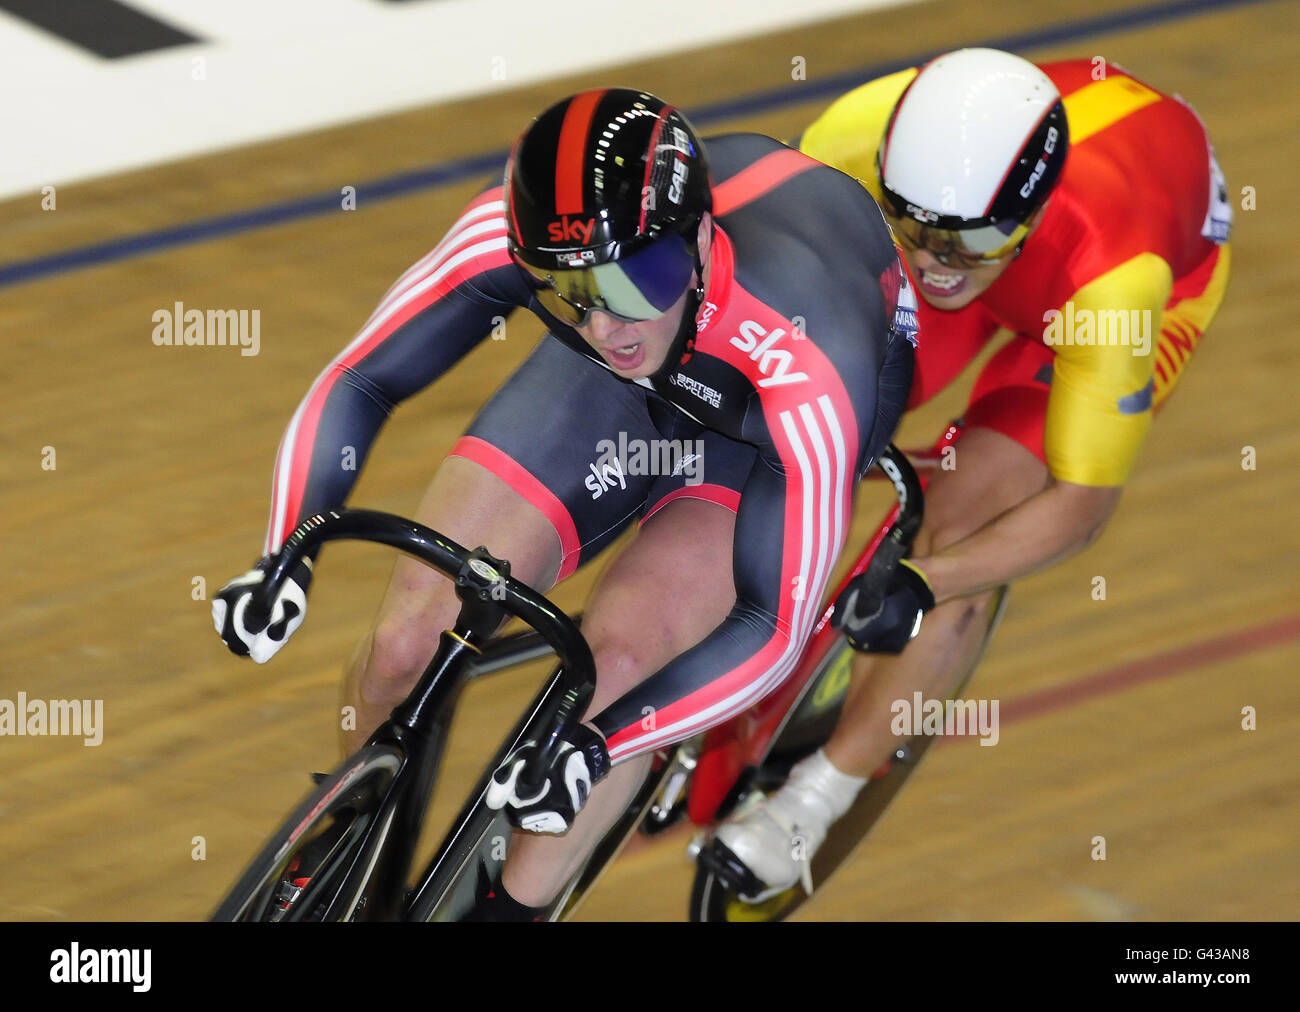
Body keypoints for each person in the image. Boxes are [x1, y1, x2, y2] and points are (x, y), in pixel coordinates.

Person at [211, 87, 918, 919]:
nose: (607, 319)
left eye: (635, 277)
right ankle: (346, 855)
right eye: (565, 286)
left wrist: (600, 743)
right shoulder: (533, 246)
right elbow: (361, 377)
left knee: (615, 670)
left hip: (753, 419)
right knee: (407, 636)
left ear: (697, 238)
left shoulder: (809, 361)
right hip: (626, 385)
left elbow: (772, 625)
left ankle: (508, 911)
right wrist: (286, 549)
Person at [713, 47, 1233, 900]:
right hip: (1025, 253)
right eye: (914, 229)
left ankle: (818, 794)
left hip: (1102, 292)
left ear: (1024, 214)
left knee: (967, 516)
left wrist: (928, 578)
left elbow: (1082, 507)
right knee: (787, 401)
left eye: (968, 239)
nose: (937, 263)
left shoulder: (1116, 277)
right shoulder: (859, 134)